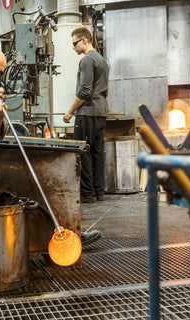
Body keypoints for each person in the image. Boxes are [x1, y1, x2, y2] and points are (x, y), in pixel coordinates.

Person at [63, 27, 109, 244]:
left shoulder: (87, 61)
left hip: (87, 112)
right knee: (98, 152)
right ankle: (99, 192)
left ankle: (88, 194)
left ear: (84, 40)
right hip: (101, 112)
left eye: (74, 44)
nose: (73, 48)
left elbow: (84, 91)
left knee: (83, 152)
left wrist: (70, 111)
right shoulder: (102, 60)